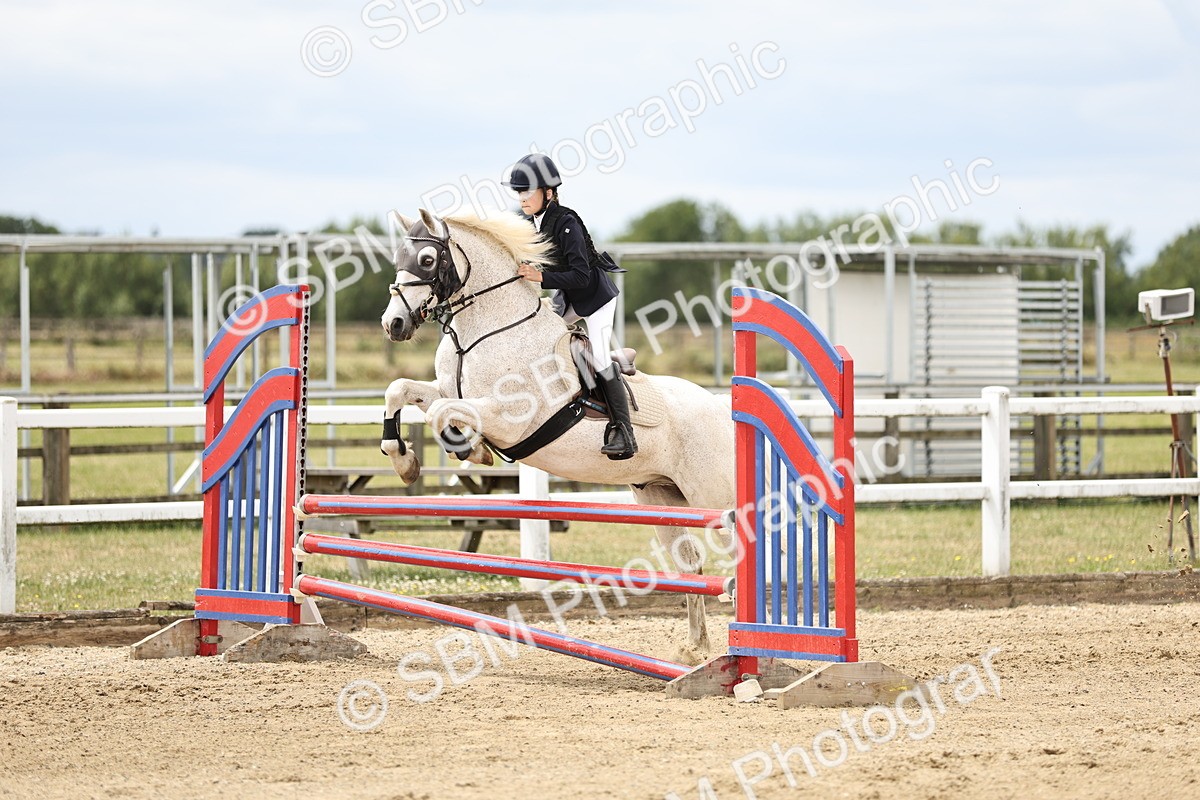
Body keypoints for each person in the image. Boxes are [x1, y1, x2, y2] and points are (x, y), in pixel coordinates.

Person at [501, 153, 637, 460]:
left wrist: (540, 276)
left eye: (528, 191)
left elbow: (580, 274)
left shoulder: (566, 223)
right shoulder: (529, 223)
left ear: (548, 193)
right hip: (568, 299)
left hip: (595, 299)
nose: (522, 198)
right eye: (519, 192)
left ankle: (623, 431)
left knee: (600, 356)